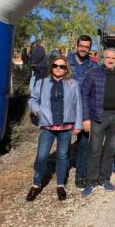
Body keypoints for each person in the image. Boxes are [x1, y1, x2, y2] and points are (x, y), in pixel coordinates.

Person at [26, 56, 82, 202]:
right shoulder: (41, 82)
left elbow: (78, 105)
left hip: (66, 126)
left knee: (63, 155)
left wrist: (78, 124)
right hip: (47, 125)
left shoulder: (73, 84)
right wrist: (38, 110)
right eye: (56, 65)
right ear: (52, 67)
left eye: (62, 66)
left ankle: (60, 185)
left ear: (66, 69)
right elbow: (32, 99)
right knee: (42, 156)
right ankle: (36, 184)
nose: (58, 68)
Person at [80, 48, 115, 197]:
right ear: (103, 58)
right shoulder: (93, 74)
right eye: (107, 57)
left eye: (113, 58)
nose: (110, 60)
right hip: (98, 116)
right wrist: (86, 118)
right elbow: (84, 95)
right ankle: (90, 181)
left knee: (110, 150)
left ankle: (104, 179)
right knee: (94, 149)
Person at [67, 35, 98, 189]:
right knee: (63, 142)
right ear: (77, 45)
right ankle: (62, 173)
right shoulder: (65, 62)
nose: (84, 49)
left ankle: (80, 175)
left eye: (87, 47)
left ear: (90, 49)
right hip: (66, 109)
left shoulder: (94, 66)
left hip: (85, 109)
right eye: (82, 46)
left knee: (83, 143)